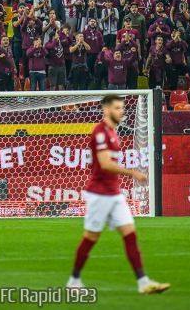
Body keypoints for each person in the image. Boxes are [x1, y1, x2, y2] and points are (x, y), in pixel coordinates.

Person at [67, 94, 170, 294]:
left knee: (130, 234)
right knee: (91, 237)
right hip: (99, 194)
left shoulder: (114, 132)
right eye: (116, 108)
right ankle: (74, 280)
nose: (121, 111)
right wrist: (133, 172)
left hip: (114, 194)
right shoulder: (100, 132)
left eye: (122, 107)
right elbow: (105, 164)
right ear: (106, 109)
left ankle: (143, 282)